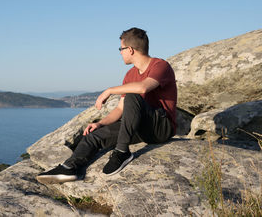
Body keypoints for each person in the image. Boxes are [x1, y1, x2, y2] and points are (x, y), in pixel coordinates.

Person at [36, 27, 177, 184]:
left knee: (132, 96)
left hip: (161, 127)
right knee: (94, 136)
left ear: (130, 49)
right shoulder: (130, 74)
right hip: (138, 126)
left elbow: (143, 87)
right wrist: (100, 123)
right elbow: (120, 109)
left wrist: (110, 91)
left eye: (121, 49)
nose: (120, 53)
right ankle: (69, 168)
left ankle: (122, 152)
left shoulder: (160, 66)